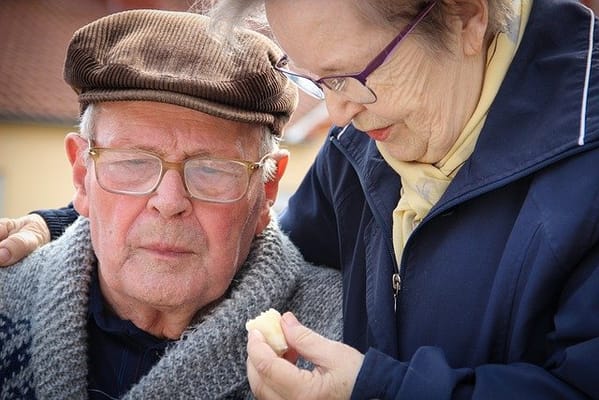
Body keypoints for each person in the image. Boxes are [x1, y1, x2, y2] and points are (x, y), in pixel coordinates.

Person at [2, 0, 599, 399]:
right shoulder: (361, 147)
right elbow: (243, 234)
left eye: (353, 75)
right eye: (317, 81)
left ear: (468, 16)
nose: (336, 116)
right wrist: (62, 229)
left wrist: (379, 392)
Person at [0, 9, 343, 399]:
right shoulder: (5, 298)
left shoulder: (339, 340)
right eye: (133, 162)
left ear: (267, 189)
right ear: (82, 175)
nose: (169, 202)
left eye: (212, 169)